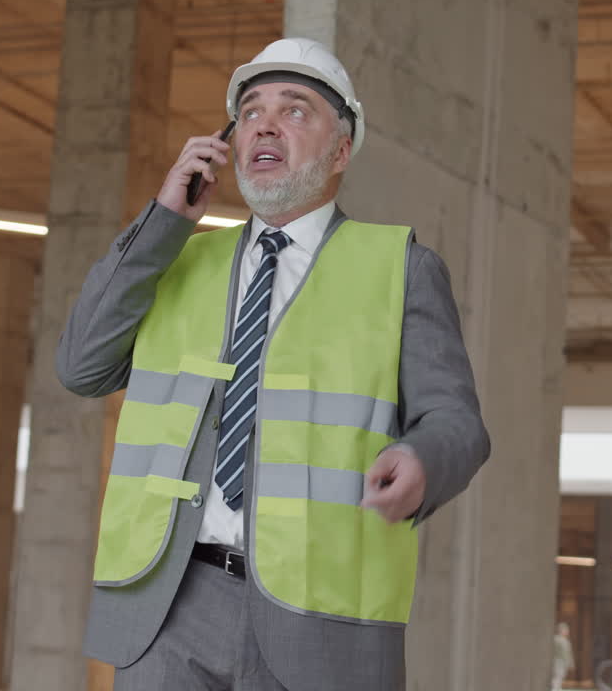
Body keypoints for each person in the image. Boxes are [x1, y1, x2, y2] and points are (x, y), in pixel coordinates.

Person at [56, 37, 490, 691]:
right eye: (251, 110)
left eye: (294, 110)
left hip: (318, 617)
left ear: (341, 150)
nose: (263, 122)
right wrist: (162, 221)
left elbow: (457, 421)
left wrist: (423, 460)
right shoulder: (178, 260)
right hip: (168, 608)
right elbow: (82, 366)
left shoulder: (399, 268)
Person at [552, 622, 574, 690]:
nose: (567, 632)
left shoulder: (565, 641)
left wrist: (570, 663)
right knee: (557, 678)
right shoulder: (556, 639)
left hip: (563, 663)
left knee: (559, 678)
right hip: (558, 662)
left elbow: (568, 654)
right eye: (566, 630)